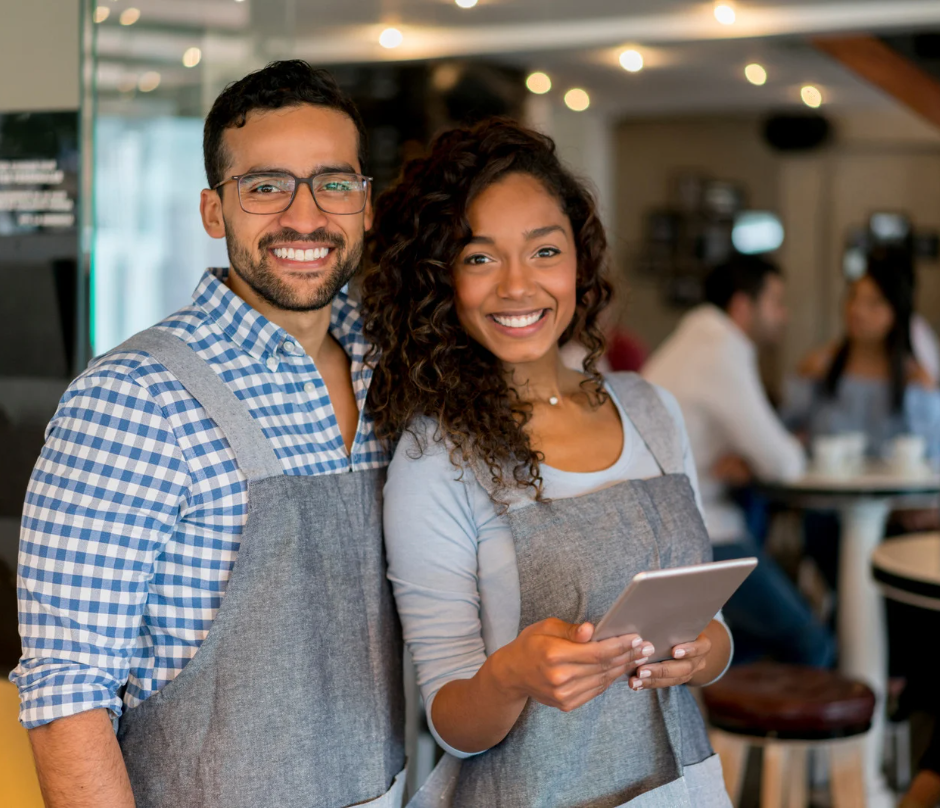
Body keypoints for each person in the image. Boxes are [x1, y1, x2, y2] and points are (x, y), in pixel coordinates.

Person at [10, 61, 405, 808]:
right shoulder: (133, 398)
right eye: (265, 186)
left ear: (365, 204)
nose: (304, 216)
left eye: (333, 183)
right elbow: (67, 695)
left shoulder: (395, 372)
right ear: (213, 211)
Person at [362, 119, 733, 807]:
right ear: (440, 279)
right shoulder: (434, 458)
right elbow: (451, 720)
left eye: (544, 251)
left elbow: (705, 620)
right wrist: (511, 676)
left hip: (680, 787)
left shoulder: (651, 410)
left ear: (579, 263)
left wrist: (708, 651)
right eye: (479, 258)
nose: (516, 286)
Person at [643, 256, 835, 667]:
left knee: (745, 645)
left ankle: (740, 725)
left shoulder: (692, 341)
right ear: (743, 307)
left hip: (663, 527)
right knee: (812, 640)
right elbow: (783, 463)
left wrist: (750, 459)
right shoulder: (721, 349)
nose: (784, 315)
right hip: (700, 530)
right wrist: (765, 456)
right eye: (776, 302)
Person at [787, 249, 940, 464]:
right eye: (853, 297)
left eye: (874, 303)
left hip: (894, 496)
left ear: (895, 314)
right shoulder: (819, 367)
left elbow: (932, 456)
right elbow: (784, 433)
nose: (857, 310)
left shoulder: (914, 379)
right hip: (827, 493)